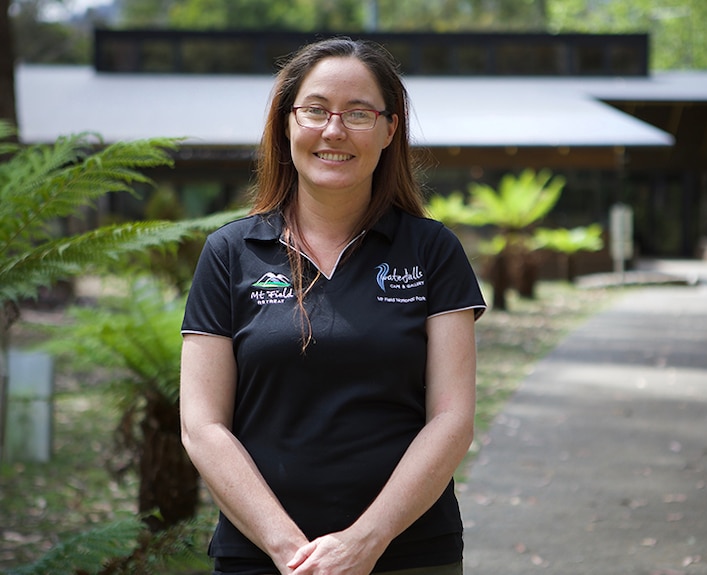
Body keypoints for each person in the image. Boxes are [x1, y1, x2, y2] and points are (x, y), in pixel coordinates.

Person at [179, 37, 486, 575]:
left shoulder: (433, 251)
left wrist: (366, 541)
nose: (334, 130)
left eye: (358, 114)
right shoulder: (229, 253)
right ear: (287, 123)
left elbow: (452, 418)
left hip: (407, 552)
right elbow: (202, 425)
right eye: (316, 110)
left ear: (391, 129)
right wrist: (287, 549)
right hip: (261, 555)